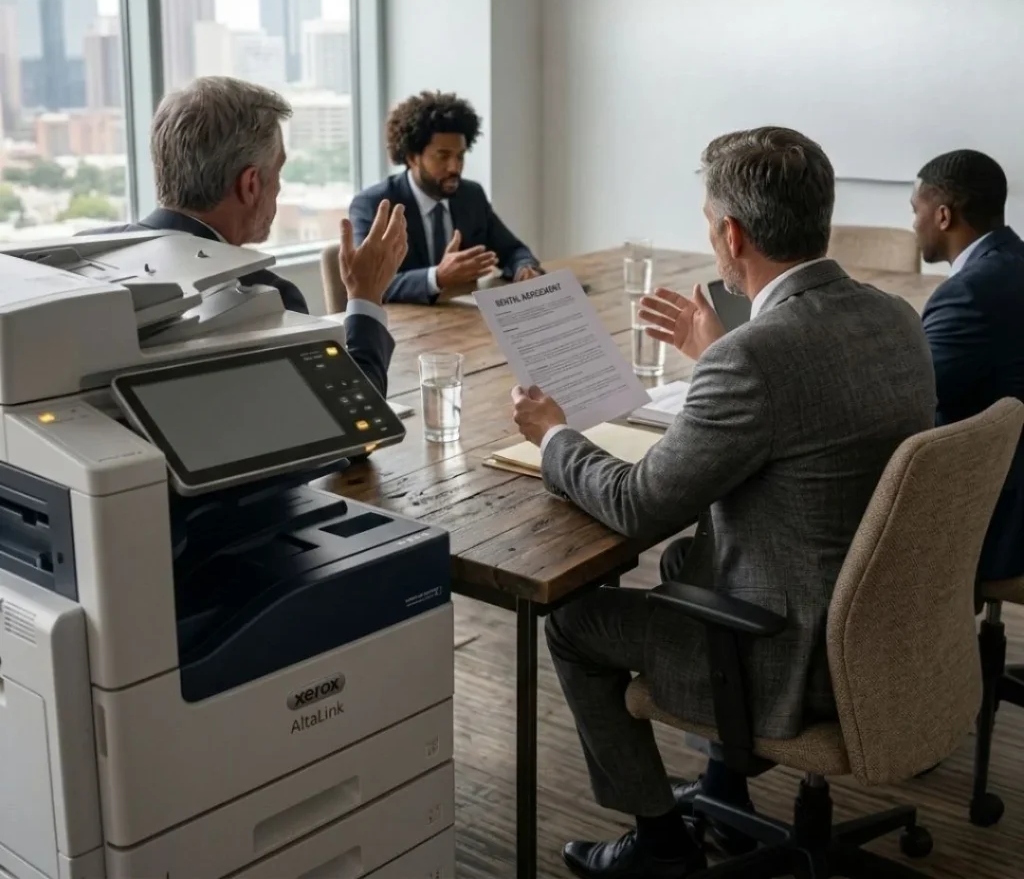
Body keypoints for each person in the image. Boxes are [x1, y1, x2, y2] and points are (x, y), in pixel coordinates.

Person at [509, 127, 935, 879]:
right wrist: (716, 360)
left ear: (732, 234)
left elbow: (639, 504)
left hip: (792, 657)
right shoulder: (894, 317)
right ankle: (721, 784)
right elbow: (811, 418)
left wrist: (553, 438)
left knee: (575, 619)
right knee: (687, 557)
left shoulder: (755, 356)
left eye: (709, 224)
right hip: (885, 630)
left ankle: (662, 842)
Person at [83, 77, 406, 398]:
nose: (278, 189)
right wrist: (365, 296)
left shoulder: (82, 263)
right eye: (278, 173)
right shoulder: (262, 298)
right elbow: (354, 418)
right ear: (250, 184)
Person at [911, 149, 1024, 582]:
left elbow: (913, 398)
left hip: (997, 518)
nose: (913, 224)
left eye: (915, 211)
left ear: (943, 215)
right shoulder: (1013, 263)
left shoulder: (970, 293)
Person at [348, 91, 541, 304]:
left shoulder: (471, 196)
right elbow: (368, 283)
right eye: (443, 156)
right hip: (401, 329)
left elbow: (513, 250)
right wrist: (437, 277)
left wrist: (524, 268)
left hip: (459, 325)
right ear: (412, 157)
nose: (455, 167)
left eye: (460, 156)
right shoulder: (375, 205)